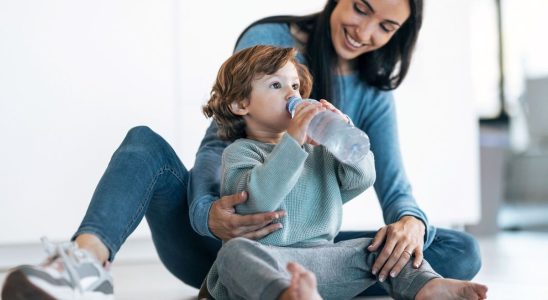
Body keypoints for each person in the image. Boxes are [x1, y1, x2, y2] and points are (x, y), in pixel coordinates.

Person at [1, 0, 482, 298]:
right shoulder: (271, 45)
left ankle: (308, 290)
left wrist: (409, 223)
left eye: (386, 26)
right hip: (226, 243)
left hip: (308, 249)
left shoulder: (370, 95)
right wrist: (207, 211)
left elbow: (387, 185)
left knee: (455, 250)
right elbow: (220, 141)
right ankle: (85, 267)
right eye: (360, 6)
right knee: (143, 143)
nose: (365, 31)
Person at [201, 44, 487, 300]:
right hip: (266, 266)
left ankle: (427, 287)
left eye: (296, 86)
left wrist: (345, 134)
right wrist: (293, 141)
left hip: (324, 264)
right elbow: (257, 201)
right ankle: (286, 295)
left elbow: (360, 180)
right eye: (276, 86)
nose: (292, 95)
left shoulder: (317, 152)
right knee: (233, 253)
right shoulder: (240, 153)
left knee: (378, 247)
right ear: (241, 104)